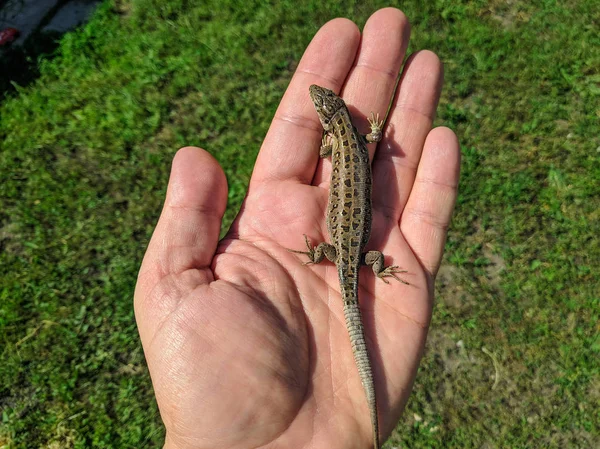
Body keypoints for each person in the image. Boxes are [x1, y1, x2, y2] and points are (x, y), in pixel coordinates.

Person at [134, 7, 460, 449]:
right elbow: (362, 142)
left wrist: (332, 258)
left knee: (350, 267)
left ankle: (360, 267)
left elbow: (332, 152)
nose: (319, 104)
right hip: (351, 247)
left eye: (324, 108)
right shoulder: (355, 137)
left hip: (347, 251)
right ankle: (371, 269)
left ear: (331, 119)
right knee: (357, 269)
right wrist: (378, 132)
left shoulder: (332, 142)